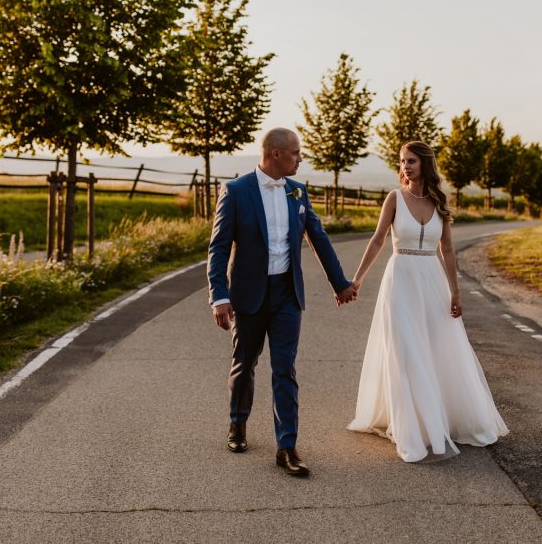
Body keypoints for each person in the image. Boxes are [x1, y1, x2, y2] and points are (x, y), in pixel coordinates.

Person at [208, 128, 357, 478]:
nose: (300, 159)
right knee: (244, 363)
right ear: (275, 154)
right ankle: (237, 423)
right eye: (295, 153)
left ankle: (286, 447)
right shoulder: (236, 191)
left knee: (285, 369)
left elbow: (318, 239)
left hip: (288, 294)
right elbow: (217, 249)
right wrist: (220, 296)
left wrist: (341, 284)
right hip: (248, 294)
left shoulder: (297, 191)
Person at [347, 141, 508, 462]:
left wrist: (455, 292)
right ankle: (411, 425)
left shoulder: (439, 201)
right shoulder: (394, 199)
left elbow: (447, 250)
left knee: (434, 348)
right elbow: (378, 239)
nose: (405, 166)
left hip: (432, 283)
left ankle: (438, 417)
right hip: (401, 280)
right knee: (405, 349)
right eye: (402, 161)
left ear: (424, 165)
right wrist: (357, 279)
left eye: (411, 161)